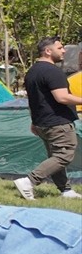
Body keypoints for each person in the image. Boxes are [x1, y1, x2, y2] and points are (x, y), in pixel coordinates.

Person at [13, 36, 82, 200]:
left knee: (56, 156)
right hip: (57, 122)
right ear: (48, 51)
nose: (64, 50)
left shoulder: (33, 71)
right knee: (64, 155)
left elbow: (33, 99)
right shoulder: (52, 71)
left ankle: (65, 190)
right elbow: (62, 98)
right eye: (60, 48)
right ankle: (29, 181)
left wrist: (33, 121)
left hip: (42, 122)